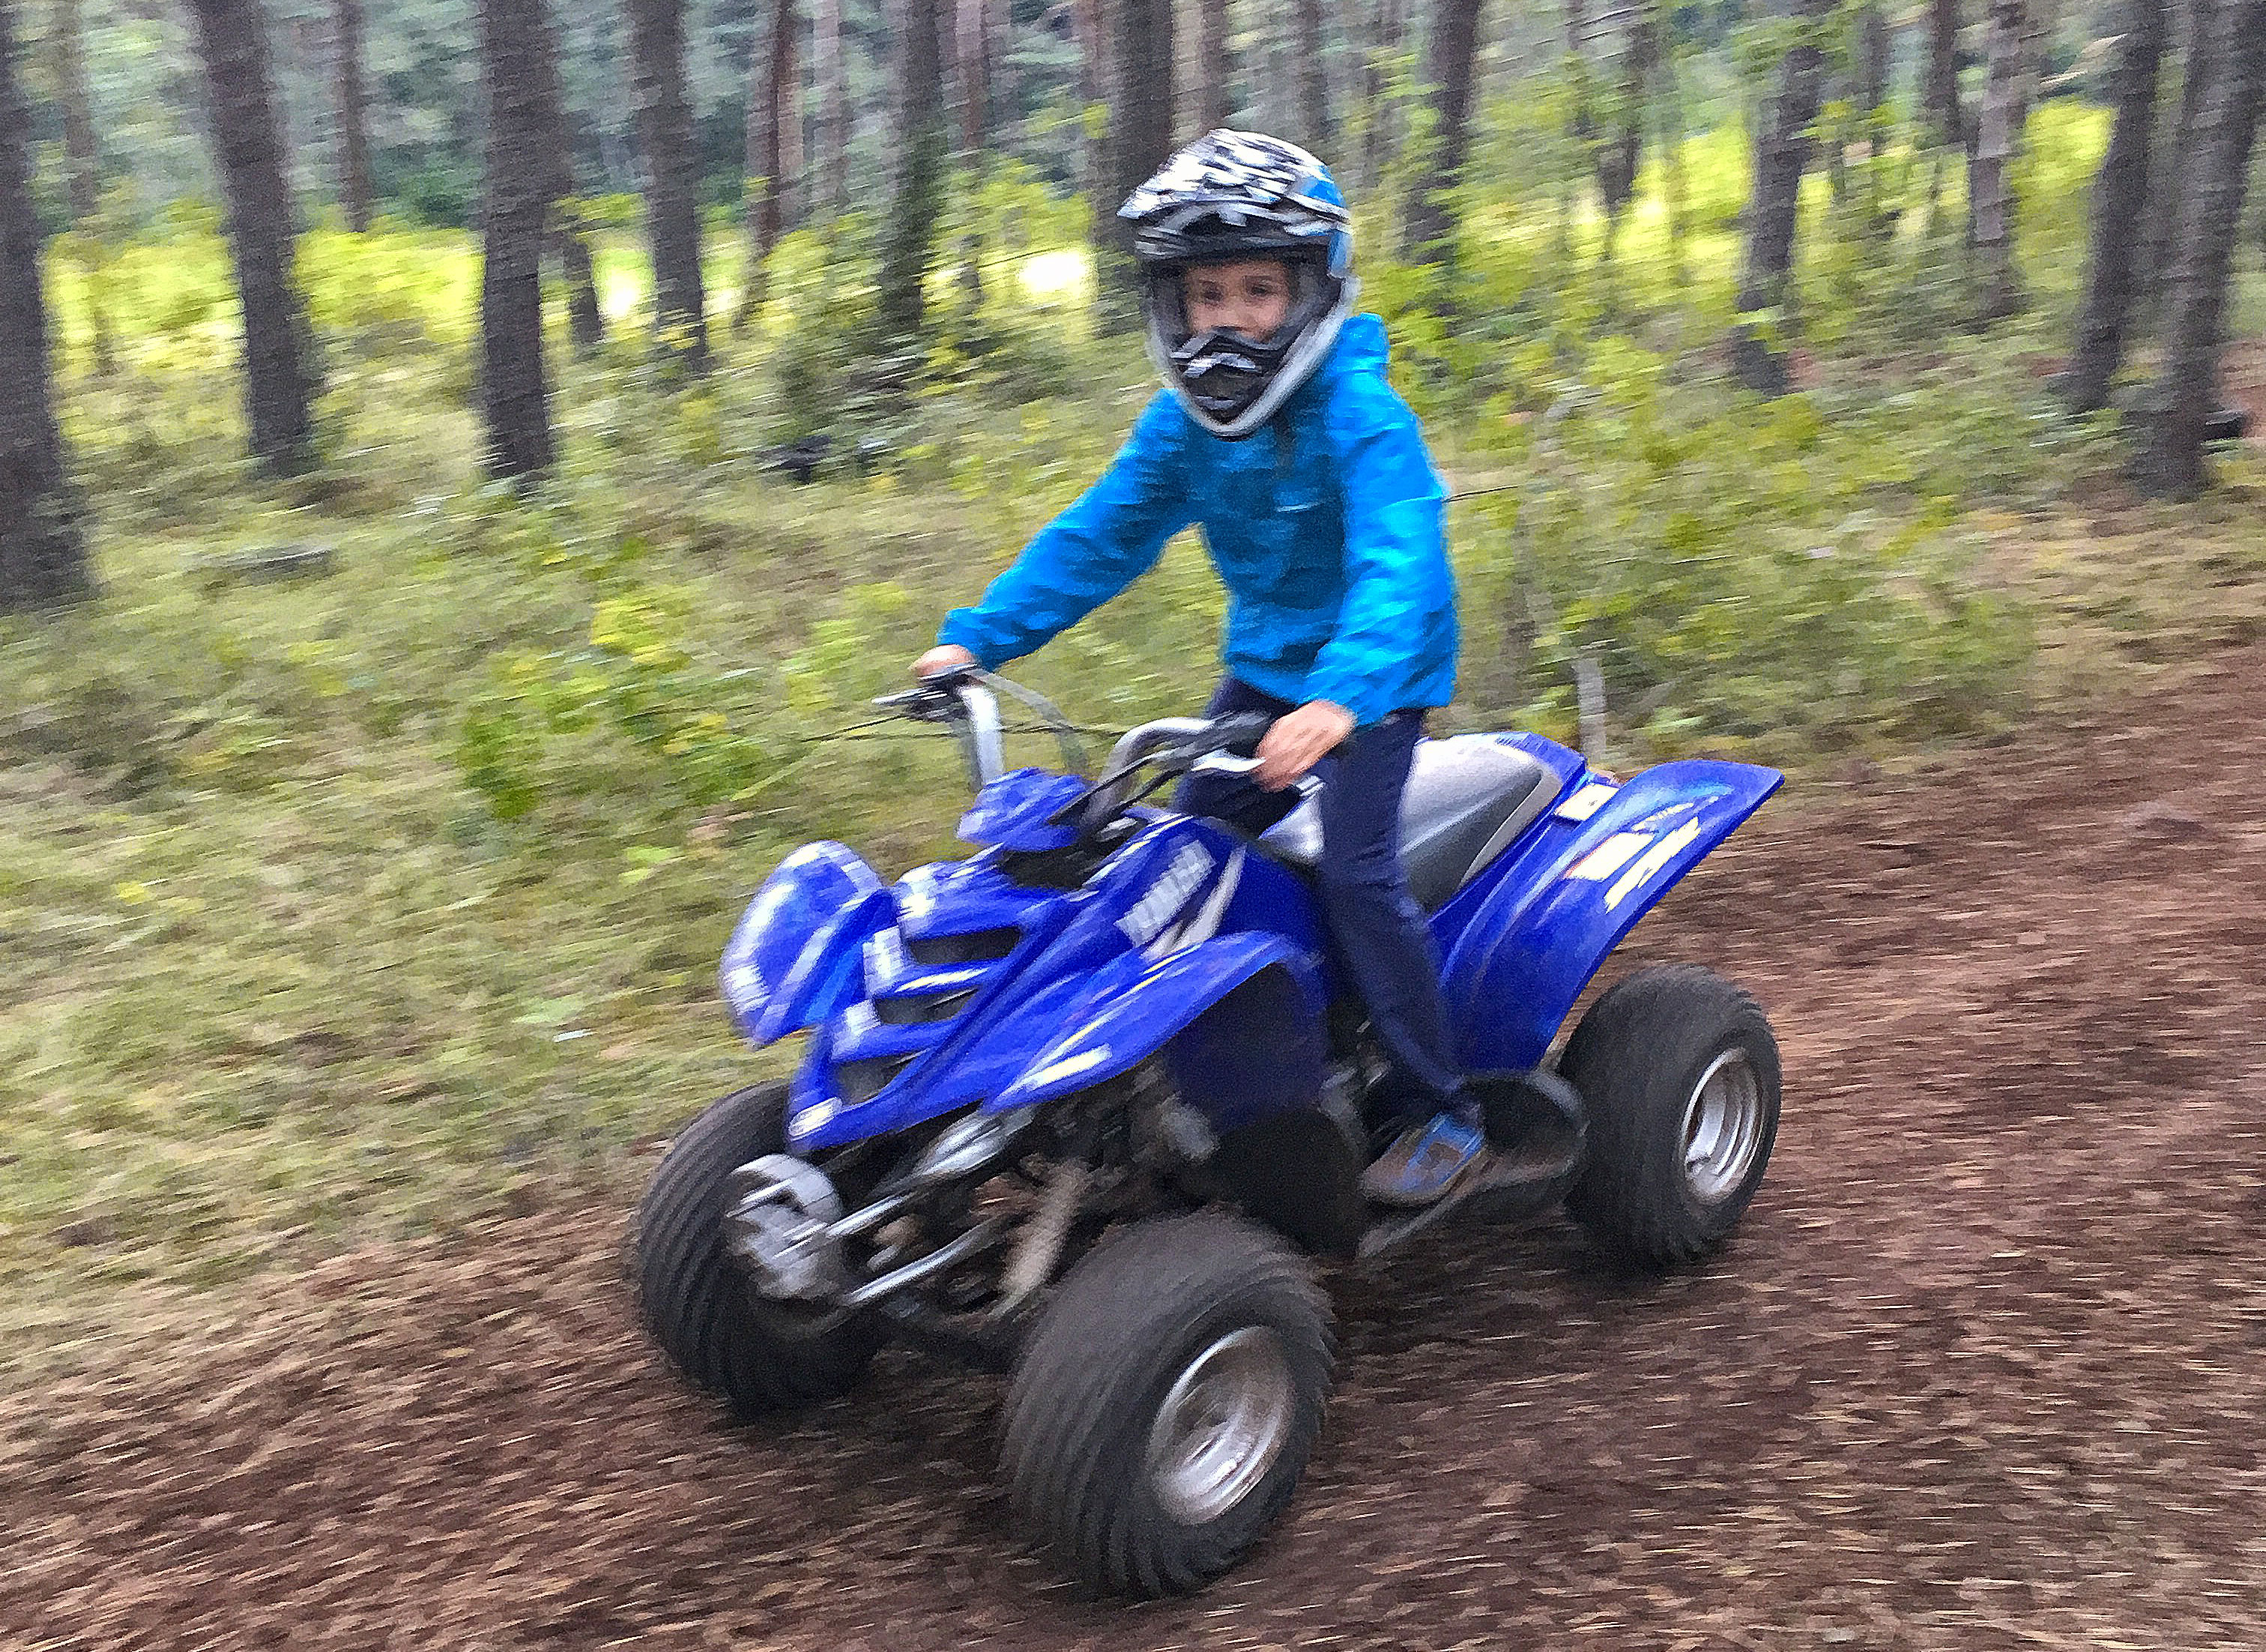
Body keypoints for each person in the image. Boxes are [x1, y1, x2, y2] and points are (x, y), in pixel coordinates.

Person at [911, 130, 1481, 1206]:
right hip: (1267, 666)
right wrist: (978, 637)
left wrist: (1342, 700)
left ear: (1314, 291)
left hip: (1377, 678)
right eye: (1207, 292)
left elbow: (1399, 567)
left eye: (1259, 290)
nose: (1229, 317)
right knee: (1187, 852)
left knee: (1358, 877)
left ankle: (1435, 1102)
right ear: (1173, 304)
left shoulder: (1363, 414)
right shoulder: (1184, 430)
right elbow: (1101, 535)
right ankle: (1234, 1057)